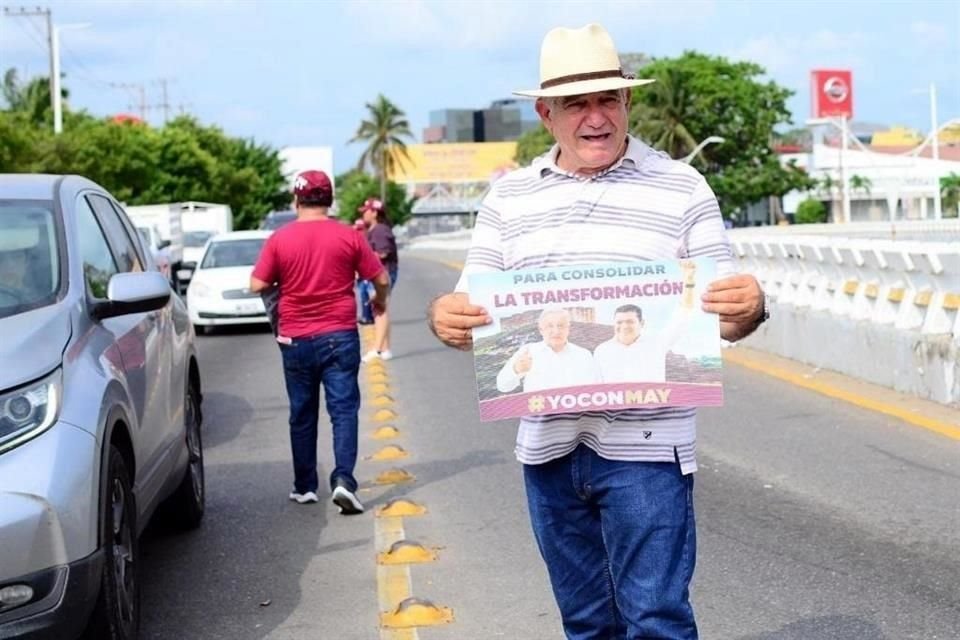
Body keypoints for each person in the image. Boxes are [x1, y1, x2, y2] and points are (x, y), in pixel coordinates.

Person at [426, 23, 767, 639]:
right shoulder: (507, 201)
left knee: (656, 620)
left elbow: (725, 313)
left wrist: (749, 308)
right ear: (545, 113)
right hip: (548, 451)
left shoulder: (682, 187)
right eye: (576, 103)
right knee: (585, 624)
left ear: (627, 103)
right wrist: (445, 318)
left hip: (646, 451)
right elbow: (473, 309)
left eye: (607, 99)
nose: (595, 117)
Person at [250, 170, 390, 514]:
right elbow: (381, 278)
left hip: (295, 337)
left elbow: (256, 284)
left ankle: (305, 486)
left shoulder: (279, 239)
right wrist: (380, 301)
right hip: (340, 335)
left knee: (302, 413)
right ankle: (343, 480)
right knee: (343, 411)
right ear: (329, 199)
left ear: (297, 200)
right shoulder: (350, 236)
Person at [593, 261, 698, 383]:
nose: (624, 326)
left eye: (630, 322)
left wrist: (688, 280)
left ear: (642, 323)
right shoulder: (602, 350)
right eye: (619, 322)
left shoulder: (657, 343)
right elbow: (597, 384)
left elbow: (684, 312)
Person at [495, 308, 598, 393]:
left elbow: (594, 389)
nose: (556, 331)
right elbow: (502, 386)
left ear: (568, 329)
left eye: (561, 326)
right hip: (539, 416)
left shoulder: (583, 355)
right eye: (549, 326)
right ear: (541, 330)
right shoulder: (528, 351)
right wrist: (516, 369)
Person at [359, 198, 399, 362]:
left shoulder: (380, 230)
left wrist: (362, 258)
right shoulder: (376, 229)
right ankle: (385, 348)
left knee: (379, 309)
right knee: (381, 309)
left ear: (374, 212)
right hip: (380, 273)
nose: (363, 214)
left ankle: (377, 349)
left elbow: (382, 253)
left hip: (382, 274)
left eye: (366, 211)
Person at [354, 219, 374, 325]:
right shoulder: (355, 240)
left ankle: (369, 316)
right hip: (360, 274)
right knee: (363, 295)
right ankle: (367, 316)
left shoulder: (368, 241)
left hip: (368, 273)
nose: (359, 232)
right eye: (357, 229)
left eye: (361, 229)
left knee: (368, 294)